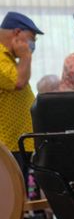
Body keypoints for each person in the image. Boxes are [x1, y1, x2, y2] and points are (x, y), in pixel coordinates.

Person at [0, 12, 43, 177]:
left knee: (20, 196)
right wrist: (26, 56)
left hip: (18, 143)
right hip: (8, 145)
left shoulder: (8, 59)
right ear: (17, 32)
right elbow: (18, 82)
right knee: (11, 199)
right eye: (32, 38)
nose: (33, 44)